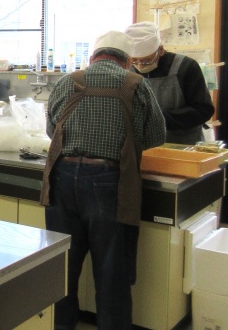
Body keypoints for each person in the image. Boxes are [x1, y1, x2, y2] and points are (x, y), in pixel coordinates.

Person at [40, 30, 165, 330]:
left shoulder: (67, 81)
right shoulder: (136, 84)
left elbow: (51, 130)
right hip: (110, 182)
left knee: (61, 268)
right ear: (127, 61)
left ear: (93, 57)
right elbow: (156, 135)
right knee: (112, 274)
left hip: (61, 180)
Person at [125, 21, 214, 145]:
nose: (140, 65)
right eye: (134, 60)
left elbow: (203, 110)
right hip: (142, 146)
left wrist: (158, 118)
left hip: (182, 144)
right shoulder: (126, 70)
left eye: (146, 61)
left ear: (160, 50)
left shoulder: (185, 67)